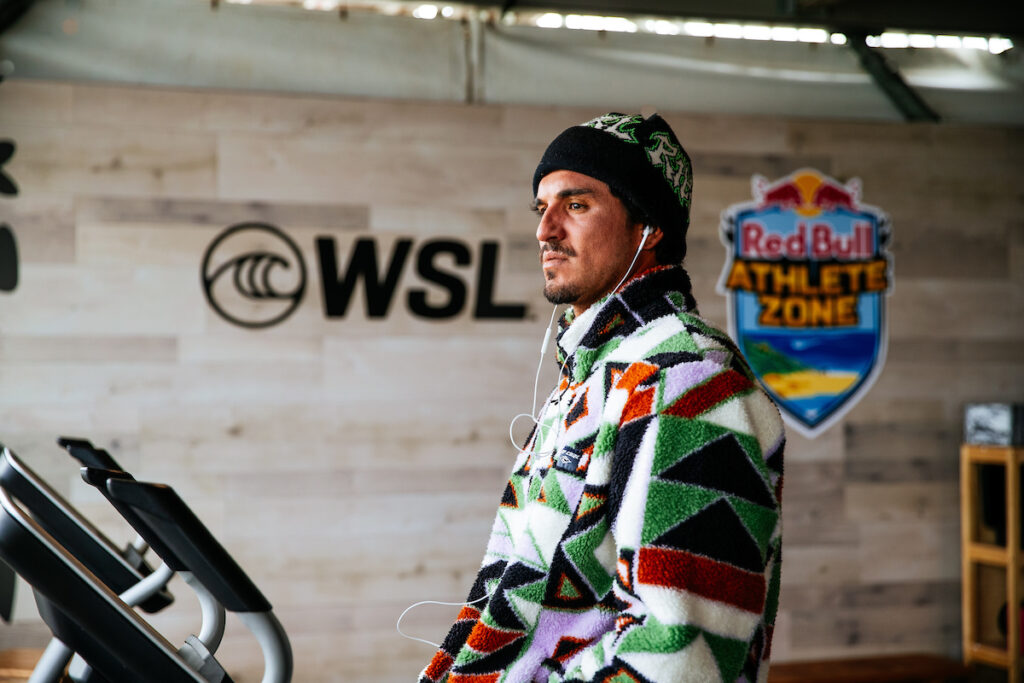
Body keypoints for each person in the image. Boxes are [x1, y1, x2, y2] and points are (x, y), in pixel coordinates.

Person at [418, 113, 784, 683]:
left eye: (577, 205)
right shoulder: (599, 370)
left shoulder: (683, 379)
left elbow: (677, 655)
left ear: (649, 225)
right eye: (543, 208)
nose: (546, 230)